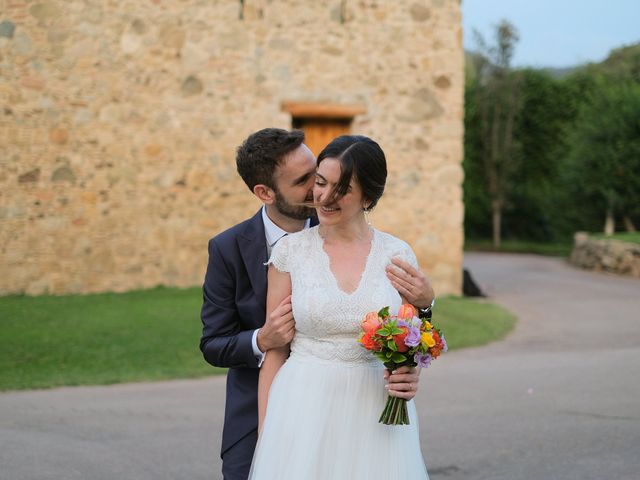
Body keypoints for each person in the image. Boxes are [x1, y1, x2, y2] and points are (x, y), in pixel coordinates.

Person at [200, 128, 434, 480]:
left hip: (371, 409)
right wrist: (263, 340)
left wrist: (410, 366)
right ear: (265, 192)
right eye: (310, 181)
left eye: (324, 180)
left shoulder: (394, 252)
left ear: (367, 196)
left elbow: (406, 335)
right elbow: (220, 343)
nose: (319, 194)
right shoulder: (261, 250)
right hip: (292, 405)